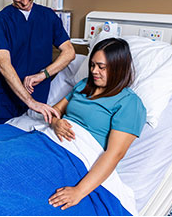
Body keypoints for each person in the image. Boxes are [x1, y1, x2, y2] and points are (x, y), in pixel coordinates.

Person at [47, 38, 146, 210]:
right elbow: (55, 110)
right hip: (48, 141)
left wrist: (79, 191)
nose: (94, 71)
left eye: (101, 67)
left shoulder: (130, 103)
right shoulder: (84, 85)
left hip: (75, 156)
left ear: (118, 68)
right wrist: (56, 123)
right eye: (92, 65)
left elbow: (114, 154)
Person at [0, 0, 75, 126]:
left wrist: (43, 75)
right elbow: (4, 64)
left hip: (37, 96)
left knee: (28, 146)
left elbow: (69, 52)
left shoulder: (49, 16)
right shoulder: (0, 21)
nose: (25, 1)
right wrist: (30, 102)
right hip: (4, 99)